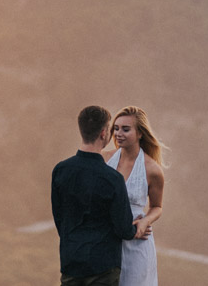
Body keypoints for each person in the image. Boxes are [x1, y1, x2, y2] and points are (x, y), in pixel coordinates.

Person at [51, 105, 149, 286]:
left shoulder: (60, 170)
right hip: (103, 266)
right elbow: (124, 230)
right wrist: (139, 227)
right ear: (104, 133)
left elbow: (60, 219)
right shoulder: (113, 179)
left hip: (71, 261)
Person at [105, 106, 167, 286]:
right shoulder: (104, 159)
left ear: (140, 133)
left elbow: (157, 206)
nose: (118, 133)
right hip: (107, 240)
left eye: (125, 129)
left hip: (136, 241)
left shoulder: (152, 169)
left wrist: (145, 222)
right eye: (116, 128)